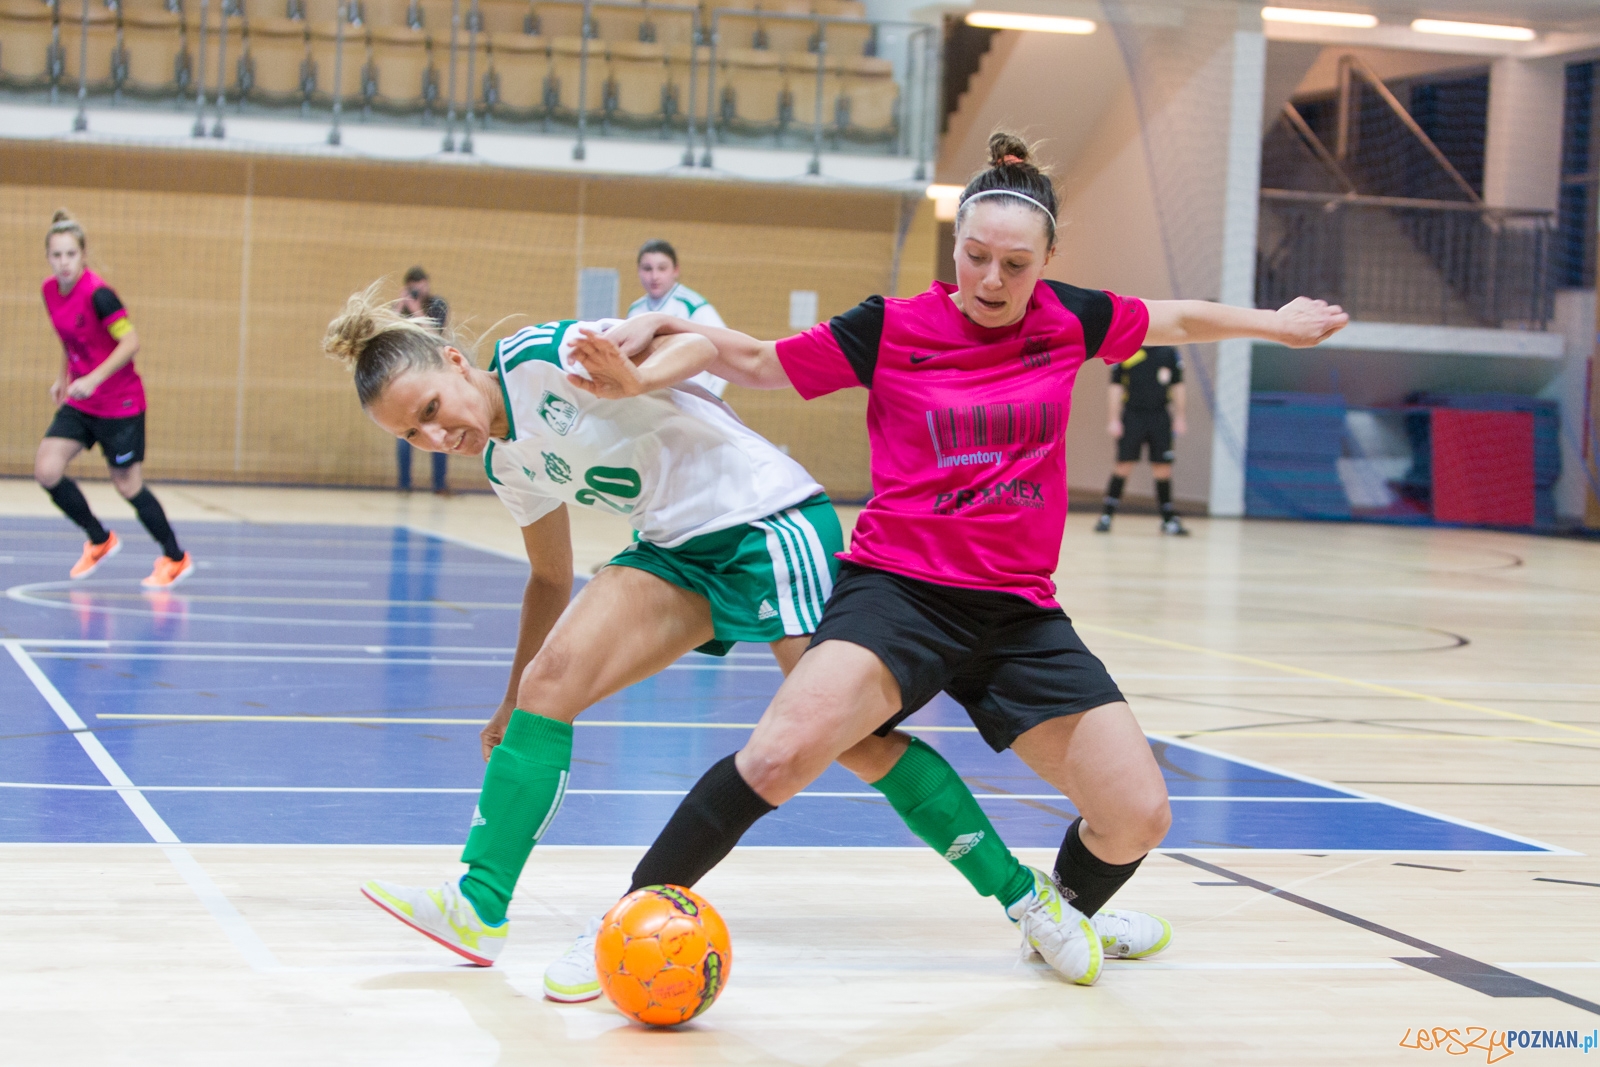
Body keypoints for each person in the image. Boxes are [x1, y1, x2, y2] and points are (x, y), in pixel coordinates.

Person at [591, 132, 1348, 986]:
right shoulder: (894, 325)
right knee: (779, 754)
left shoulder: (1071, 319)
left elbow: (1174, 317)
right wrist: (668, 326)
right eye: (975, 257)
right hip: (899, 594)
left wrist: (1276, 326)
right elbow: (763, 361)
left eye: (1015, 265)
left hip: (1017, 611)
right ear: (954, 247)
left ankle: (1059, 913)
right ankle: (631, 914)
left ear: (1049, 258)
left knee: (1137, 815)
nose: (991, 281)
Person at [321, 286, 1080, 1003]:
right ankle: (477, 903)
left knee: (858, 742)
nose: (433, 435)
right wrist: (510, 700)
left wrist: (634, 376)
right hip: (676, 551)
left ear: (457, 364)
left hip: (764, 521)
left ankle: (1022, 894)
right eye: (410, 434)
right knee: (550, 683)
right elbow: (549, 579)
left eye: (428, 409)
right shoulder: (504, 460)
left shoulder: (537, 357)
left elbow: (689, 348)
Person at [33, 210, 193, 589]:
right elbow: (70, 339)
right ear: (48, 258)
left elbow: (130, 342)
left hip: (120, 403)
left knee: (127, 485)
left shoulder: (100, 295)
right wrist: (63, 378)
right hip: (82, 402)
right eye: (56, 255)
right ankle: (99, 539)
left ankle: (175, 557)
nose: (63, 262)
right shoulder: (49, 292)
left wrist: (92, 378)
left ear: (83, 255)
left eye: (70, 254)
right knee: (47, 469)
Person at [1095, 344, 1188, 535]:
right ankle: (1106, 516)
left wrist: (1180, 416)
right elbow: (1116, 385)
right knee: (1123, 464)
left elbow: (1178, 384)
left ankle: (1168, 518)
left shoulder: (1168, 352)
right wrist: (1113, 419)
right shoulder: (1126, 349)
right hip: (1133, 416)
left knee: (1162, 466)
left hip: (1160, 416)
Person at [627, 239, 730, 399]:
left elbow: (726, 350)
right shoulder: (636, 310)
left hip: (690, 400)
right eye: (647, 269)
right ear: (639, 271)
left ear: (675, 270)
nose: (654, 276)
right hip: (653, 400)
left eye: (662, 268)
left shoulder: (693, 306)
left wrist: (711, 395)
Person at [394, 266, 451, 494]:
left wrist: (416, 311)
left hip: (432, 372)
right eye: (412, 285)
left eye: (420, 284)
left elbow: (434, 335)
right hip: (407, 374)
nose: (417, 289)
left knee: (439, 427)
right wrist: (400, 306)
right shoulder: (401, 307)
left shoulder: (438, 305)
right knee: (405, 430)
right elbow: (390, 330)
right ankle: (404, 485)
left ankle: (439, 484)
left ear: (427, 284)